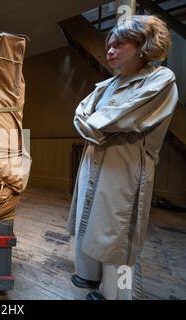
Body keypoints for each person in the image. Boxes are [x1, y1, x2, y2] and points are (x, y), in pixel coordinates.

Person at [67, 15, 179, 300]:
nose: (110, 51)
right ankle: (89, 275)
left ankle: (118, 294)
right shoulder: (107, 85)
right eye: (108, 46)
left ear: (142, 45)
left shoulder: (161, 79)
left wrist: (97, 126)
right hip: (94, 163)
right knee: (89, 221)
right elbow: (81, 117)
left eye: (119, 44)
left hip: (125, 169)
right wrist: (100, 127)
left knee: (120, 236)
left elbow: (122, 119)